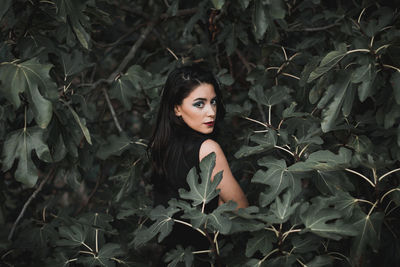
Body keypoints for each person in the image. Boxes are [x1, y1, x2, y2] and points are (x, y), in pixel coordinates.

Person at [148, 65, 248, 264]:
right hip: (204, 259)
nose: (210, 112)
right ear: (177, 108)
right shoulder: (207, 149)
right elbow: (241, 211)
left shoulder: (162, 147)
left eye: (213, 102)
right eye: (199, 104)